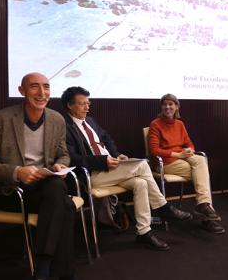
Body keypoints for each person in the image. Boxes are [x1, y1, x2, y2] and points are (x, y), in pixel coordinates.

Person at [0, 73, 76, 280]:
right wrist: (17, 172)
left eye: (46, 87)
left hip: (43, 190)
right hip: (10, 191)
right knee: (65, 204)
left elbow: (63, 154)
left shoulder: (56, 119)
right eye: (35, 87)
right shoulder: (3, 118)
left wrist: (61, 164)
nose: (42, 93)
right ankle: (62, 273)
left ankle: (43, 268)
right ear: (22, 91)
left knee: (56, 189)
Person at [61, 86, 192, 251]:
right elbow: (72, 158)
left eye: (88, 103)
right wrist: (103, 161)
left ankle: (144, 232)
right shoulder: (64, 127)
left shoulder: (91, 121)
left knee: (141, 184)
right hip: (92, 174)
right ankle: (163, 207)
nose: (87, 107)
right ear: (69, 105)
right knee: (143, 164)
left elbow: (106, 138)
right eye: (82, 104)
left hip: (110, 168)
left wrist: (116, 155)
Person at [148, 93, 225, 234]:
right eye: (164, 104)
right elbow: (154, 150)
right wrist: (178, 154)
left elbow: (188, 142)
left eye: (171, 104)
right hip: (165, 162)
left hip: (183, 157)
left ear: (177, 107)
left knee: (201, 160)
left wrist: (191, 150)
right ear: (161, 107)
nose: (167, 107)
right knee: (201, 174)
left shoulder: (180, 124)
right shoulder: (155, 124)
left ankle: (203, 205)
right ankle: (207, 217)